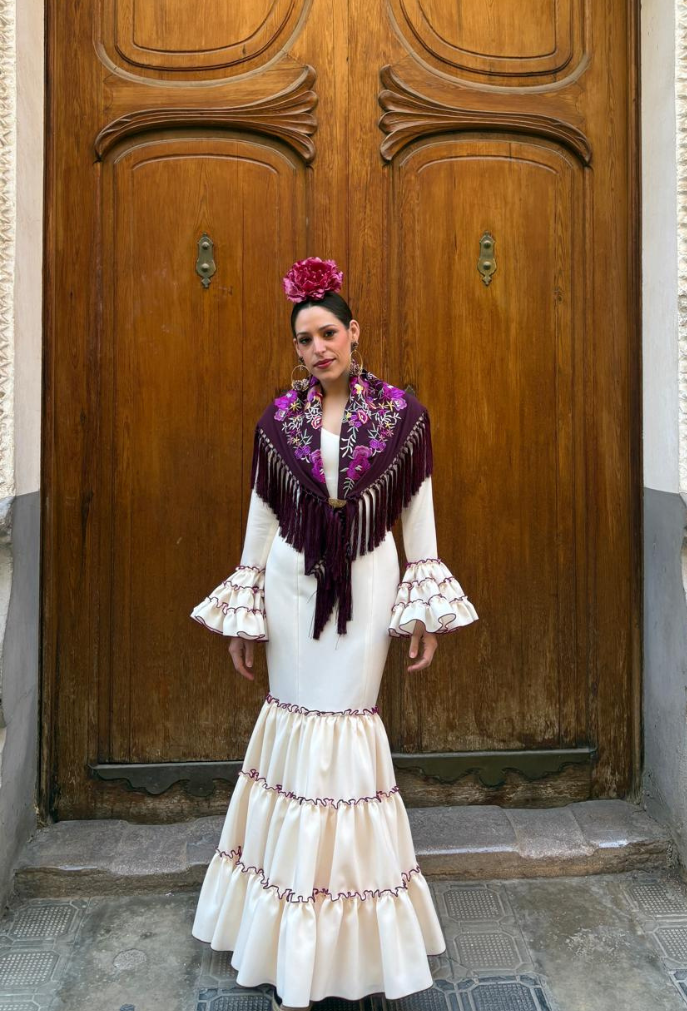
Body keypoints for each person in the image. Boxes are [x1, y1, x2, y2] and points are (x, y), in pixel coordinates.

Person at [189, 256, 479, 1009]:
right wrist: (245, 611)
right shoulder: (277, 420)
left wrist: (422, 609)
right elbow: (261, 514)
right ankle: (284, 918)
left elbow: (416, 510)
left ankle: (354, 926)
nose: (318, 347)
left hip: (371, 583)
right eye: (304, 339)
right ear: (296, 350)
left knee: (348, 726)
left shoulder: (399, 417)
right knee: (293, 724)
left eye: (328, 332)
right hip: (290, 589)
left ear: (354, 333)